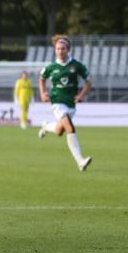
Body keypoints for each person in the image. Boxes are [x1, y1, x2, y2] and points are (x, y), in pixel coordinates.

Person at [38, 35, 92, 171]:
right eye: (57, 48)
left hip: (71, 102)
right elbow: (41, 79)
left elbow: (89, 81)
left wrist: (81, 95)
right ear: (55, 50)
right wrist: (43, 93)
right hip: (56, 101)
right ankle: (80, 160)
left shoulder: (77, 65)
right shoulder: (51, 67)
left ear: (68, 50)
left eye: (63, 48)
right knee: (70, 128)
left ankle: (45, 127)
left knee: (59, 131)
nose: (60, 51)